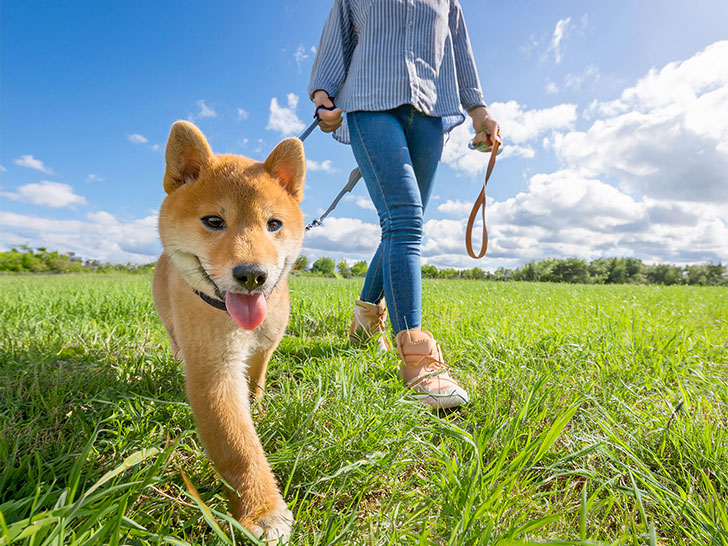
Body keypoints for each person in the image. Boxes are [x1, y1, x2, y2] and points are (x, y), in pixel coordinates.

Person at [308, 0, 501, 409]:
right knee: (405, 221)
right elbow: (336, 41)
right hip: (369, 100)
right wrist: (323, 96)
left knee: (401, 225)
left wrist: (479, 111)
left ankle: (364, 320)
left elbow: (460, 53)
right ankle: (418, 358)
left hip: (430, 110)